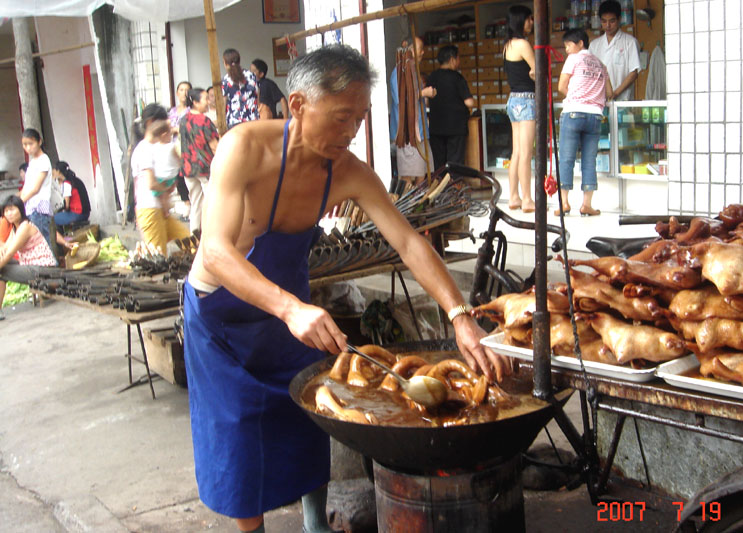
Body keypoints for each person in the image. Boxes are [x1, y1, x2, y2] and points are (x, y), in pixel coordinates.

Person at [183, 44, 508, 533]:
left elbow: (408, 242)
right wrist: (291, 309)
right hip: (222, 319)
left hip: (291, 316)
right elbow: (214, 252)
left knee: (309, 421)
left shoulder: (348, 171)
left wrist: (461, 315)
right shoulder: (244, 147)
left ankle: (316, 525)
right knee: (239, 441)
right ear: (297, 104)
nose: (351, 131)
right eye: (341, 118)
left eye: (359, 119)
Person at [555, 29, 613, 217]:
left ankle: (564, 203)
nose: (566, 50)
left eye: (568, 46)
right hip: (595, 116)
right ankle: (586, 205)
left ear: (580, 43)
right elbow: (609, 92)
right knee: (589, 160)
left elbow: (561, 86)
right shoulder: (601, 64)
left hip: (573, 113)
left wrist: (577, 97)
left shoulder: (574, 59)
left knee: (566, 159)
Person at [131, 104, 191, 255]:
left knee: (190, 242)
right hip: (149, 209)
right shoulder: (144, 149)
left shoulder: (156, 147)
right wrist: (167, 189)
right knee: (158, 257)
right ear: (151, 123)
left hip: (160, 209)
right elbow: (151, 184)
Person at [0, 195, 59, 320]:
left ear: (20, 210)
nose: (9, 214)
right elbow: (5, 248)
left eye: (12, 209)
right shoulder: (15, 228)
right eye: (6, 211)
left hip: (42, 268)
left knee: (2, 271)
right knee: (3, 265)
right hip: (29, 265)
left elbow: (10, 253)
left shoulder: (25, 227)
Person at [389, 36, 436, 184]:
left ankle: (420, 206)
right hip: (408, 135)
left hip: (421, 133)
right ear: (407, 49)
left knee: (423, 175)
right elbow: (402, 101)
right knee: (408, 178)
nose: (422, 52)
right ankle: (406, 207)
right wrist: (423, 93)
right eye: (419, 48)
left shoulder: (414, 72)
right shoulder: (398, 73)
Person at [503, 5, 537, 213]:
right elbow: (537, 70)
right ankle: (527, 200)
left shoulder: (507, 45)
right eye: (528, 19)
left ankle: (514, 196)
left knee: (516, 152)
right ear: (520, 21)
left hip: (513, 100)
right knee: (526, 153)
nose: (531, 23)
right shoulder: (523, 44)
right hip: (527, 100)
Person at [424, 44, 476, 171]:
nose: (459, 62)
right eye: (458, 58)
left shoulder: (432, 77)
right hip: (456, 128)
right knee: (455, 162)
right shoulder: (457, 78)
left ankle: (441, 188)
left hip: (436, 127)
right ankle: (454, 188)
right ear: (452, 59)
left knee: (439, 164)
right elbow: (469, 102)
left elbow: (425, 101)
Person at [179, 87, 219, 232]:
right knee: (211, 203)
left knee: (195, 203)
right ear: (195, 102)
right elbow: (214, 146)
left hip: (188, 168)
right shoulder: (204, 121)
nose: (208, 102)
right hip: (204, 167)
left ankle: (194, 236)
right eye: (205, 99)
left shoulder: (183, 120)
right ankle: (210, 234)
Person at [588, 0, 641, 101]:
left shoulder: (630, 42)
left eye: (612, 21)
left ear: (619, 19)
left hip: (623, 99)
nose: (607, 25)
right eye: (604, 21)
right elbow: (590, 73)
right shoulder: (594, 45)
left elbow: (633, 72)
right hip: (599, 100)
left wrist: (615, 93)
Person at [19, 128, 55, 253]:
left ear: (39, 142)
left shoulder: (44, 160)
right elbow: (26, 186)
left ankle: (51, 269)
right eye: (25, 145)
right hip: (31, 207)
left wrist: (20, 202)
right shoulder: (33, 162)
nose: (28, 148)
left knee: (43, 242)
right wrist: (18, 200)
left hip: (39, 207)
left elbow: (35, 188)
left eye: (30, 144)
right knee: (37, 242)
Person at [168, 80, 193, 217]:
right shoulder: (172, 111)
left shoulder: (191, 110)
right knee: (178, 177)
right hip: (174, 148)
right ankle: (186, 203)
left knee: (188, 175)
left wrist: (178, 129)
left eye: (187, 90)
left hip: (187, 147)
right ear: (177, 93)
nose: (184, 93)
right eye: (181, 90)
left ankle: (192, 204)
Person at [222, 48, 260, 128]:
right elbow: (258, 97)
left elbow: (223, 105)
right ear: (239, 61)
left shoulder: (225, 81)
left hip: (234, 122)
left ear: (225, 63)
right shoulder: (251, 76)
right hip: (253, 120)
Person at [53, 161, 91, 228]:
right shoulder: (76, 180)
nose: (54, 173)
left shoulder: (67, 183)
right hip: (86, 213)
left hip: (78, 214)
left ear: (58, 171)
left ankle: (61, 237)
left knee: (52, 220)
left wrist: (64, 210)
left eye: (55, 171)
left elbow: (67, 205)